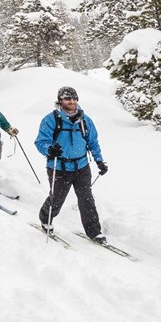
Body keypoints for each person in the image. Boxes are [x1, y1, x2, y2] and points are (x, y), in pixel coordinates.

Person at [34, 85, 108, 243]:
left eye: (74, 98)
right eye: (68, 98)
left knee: (86, 199)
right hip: (59, 167)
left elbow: (93, 142)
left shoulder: (85, 120)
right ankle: (45, 219)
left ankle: (94, 231)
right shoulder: (50, 119)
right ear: (60, 101)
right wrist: (49, 149)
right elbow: (40, 142)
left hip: (82, 166)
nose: (72, 101)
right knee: (57, 198)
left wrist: (99, 161)